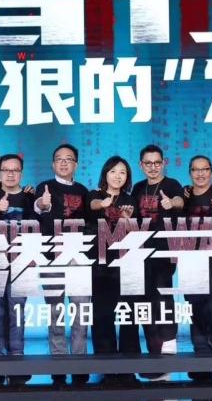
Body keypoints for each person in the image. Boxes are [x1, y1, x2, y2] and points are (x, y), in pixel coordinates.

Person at [34, 144, 90, 385]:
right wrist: (42, 204)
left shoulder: (83, 191)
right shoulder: (44, 187)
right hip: (52, 257)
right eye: (59, 159)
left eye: (69, 159)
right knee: (55, 312)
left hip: (78, 257)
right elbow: (38, 208)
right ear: (53, 164)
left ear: (76, 164)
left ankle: (79, 363)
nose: (64, 162)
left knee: (81, 311)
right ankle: (58, 363)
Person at [0, 153, 35, 386]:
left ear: (21, 172)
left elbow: (37, 224)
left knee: (17, 312)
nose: (10, 174)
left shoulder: (30, 197)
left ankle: (17, 360)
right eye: (6, 170)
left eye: (15, 170)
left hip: (21, 261)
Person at [131, 144, 184, 381]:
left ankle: (169, 348)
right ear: (141, 165)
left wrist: (172, 203)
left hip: (165, 250)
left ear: (164, 163)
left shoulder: (171, 184)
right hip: (140, 252)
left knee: (162, 296)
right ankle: (154, 355)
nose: (153, 167)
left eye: (157, 163)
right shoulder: (138, 187)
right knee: (144, 301)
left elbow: (179, 200)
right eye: (148, 163)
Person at [88, 156, 139, 384]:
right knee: (102, 315)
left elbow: (136, 232)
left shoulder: (130, 199)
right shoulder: (94, 195)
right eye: (113, 171)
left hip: (126, 262)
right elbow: (92, 206)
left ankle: (129, 366)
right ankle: (106, 365)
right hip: (100, 264)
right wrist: (104, 204)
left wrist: (127, 220)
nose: (118, 176)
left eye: (122, 172)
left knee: (129, 314)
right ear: (105, 173)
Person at [183, 155, 212, 383]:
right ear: (190, 172)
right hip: (189, 255)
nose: (200, 174)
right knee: (194, 304)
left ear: (211, 171)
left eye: (204, 169)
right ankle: (201, 351)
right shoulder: (185, 196)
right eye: (195, 170)